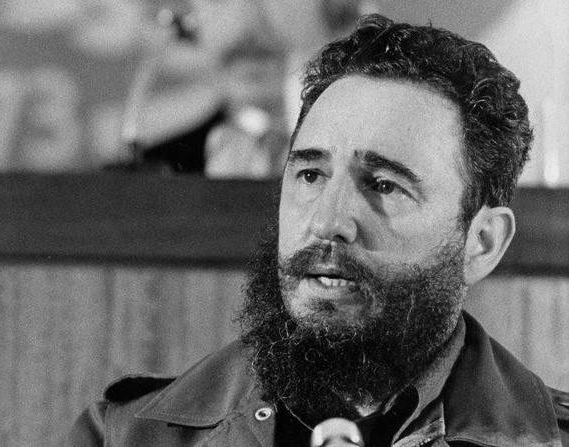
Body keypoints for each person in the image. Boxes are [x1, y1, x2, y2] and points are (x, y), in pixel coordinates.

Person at [68, 14, 569, 446]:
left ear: (481, 243)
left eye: (384, 185)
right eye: (310, 175)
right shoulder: (125, 435)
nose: (328, 222)